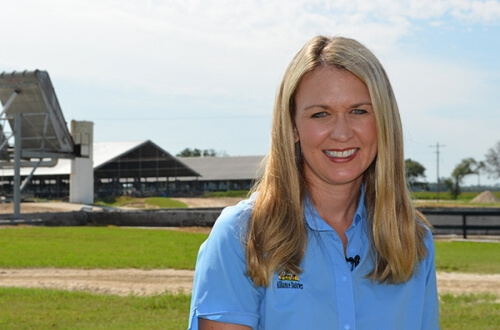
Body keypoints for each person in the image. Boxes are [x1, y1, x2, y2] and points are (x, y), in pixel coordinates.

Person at [188, 35, 439, 330]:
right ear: (293, 127)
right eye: (321, 114)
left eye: (359, 111)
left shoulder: (413, 239)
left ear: (383, 121)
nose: (342, 133)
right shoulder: (240, 237)